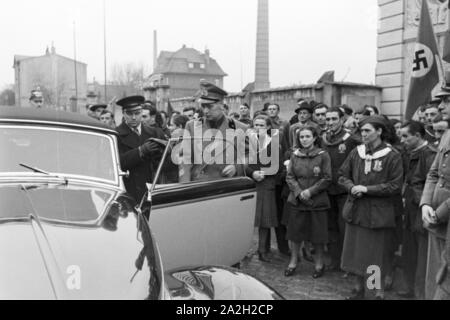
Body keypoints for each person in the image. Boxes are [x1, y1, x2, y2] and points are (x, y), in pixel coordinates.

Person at [338, 115, 403, 300]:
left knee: (375, 256)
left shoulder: (392, 155)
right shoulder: (356, 152)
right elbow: (342, 175)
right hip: (356, 211)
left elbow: (395, 185)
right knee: (356, 253)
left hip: (378, 214)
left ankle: (374, 292)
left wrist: (366, 189)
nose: (363, 134)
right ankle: (358, 289)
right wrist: (351, 187)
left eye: (367, 130)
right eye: (362, 131)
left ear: (379, 131)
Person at [284, 126, 331, 278]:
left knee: (318, 235)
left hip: (317, 201)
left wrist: (310, 191)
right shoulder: (295, 155)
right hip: (298, 201)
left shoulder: (323, 155)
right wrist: (299, 192)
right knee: (295, 234)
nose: (304, 139)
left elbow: (327, 177)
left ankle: (319, 263)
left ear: (314, 138)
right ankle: (293, 261)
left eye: (307, 136)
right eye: (302, 137)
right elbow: (290, 176)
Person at [180, 80, 248, 182]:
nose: (206, 111)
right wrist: (184, 187)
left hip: (224, 187)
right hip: (197, 186)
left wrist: (237, 167)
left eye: (210, 106)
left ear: (221, 105)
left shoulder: (240, 128)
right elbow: (184, 159)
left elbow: (248, 155)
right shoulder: (191, 126)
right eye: (203, 106)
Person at [398, 121, 436, 299]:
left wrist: (418, 200)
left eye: (406, 136)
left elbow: (430, 184)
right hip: (409, 208)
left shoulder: (429, 155)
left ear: (418, 136)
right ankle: (410, 287)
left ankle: (421, 293)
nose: (402, 140)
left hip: (420, 208)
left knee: (422, 255)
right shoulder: (408, 153)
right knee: (409, 251)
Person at [420, 85, 450, 299]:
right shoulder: (447, 134)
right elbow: (433, 174)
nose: (441, 106)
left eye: (447, 100)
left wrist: (438, 213)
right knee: (434, 278)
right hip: (435, 219)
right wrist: (426, 205)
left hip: (444, 218)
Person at [320, 107, 360, 271]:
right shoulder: (323, 138)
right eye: (327, 119)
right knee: (330, 227)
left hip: (344, 190)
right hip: (327, 189)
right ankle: (335, 260)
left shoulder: (351, 139)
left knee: (345, 228)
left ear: (342, 119)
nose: (330, 122)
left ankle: (347, 263)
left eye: (334, 119)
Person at [115, 95, 165, 202]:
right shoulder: (116, 135)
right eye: (129, 113)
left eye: (137, 113)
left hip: (151, 188)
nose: (133, 117)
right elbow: (117, 163)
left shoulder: (154, 132)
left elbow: (164, 164)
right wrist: (140, 151)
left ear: (141, 112)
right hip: (128, 190)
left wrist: (165, 151)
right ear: (123, 113)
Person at [246, 115, 281, 262]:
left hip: (267, 184)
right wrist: (252, 173)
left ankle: (262, 250)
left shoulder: (274, 145)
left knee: (265, 220)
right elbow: (242, 164)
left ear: (267, 127)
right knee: (248, 219)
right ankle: (244, 250)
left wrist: (265, 173)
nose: (258, 128)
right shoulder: (248, 144)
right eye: (256, 125)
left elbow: (278, 167)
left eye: (261, 125)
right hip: (250, 184)